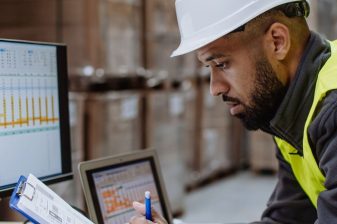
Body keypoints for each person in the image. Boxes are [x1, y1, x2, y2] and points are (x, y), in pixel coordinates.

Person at [129, 0, 337, 223]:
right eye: (209, 68)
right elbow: (288, 218)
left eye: (222, 64)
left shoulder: (331, 111)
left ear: (277, 42)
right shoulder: (292, 107)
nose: (214, 88)